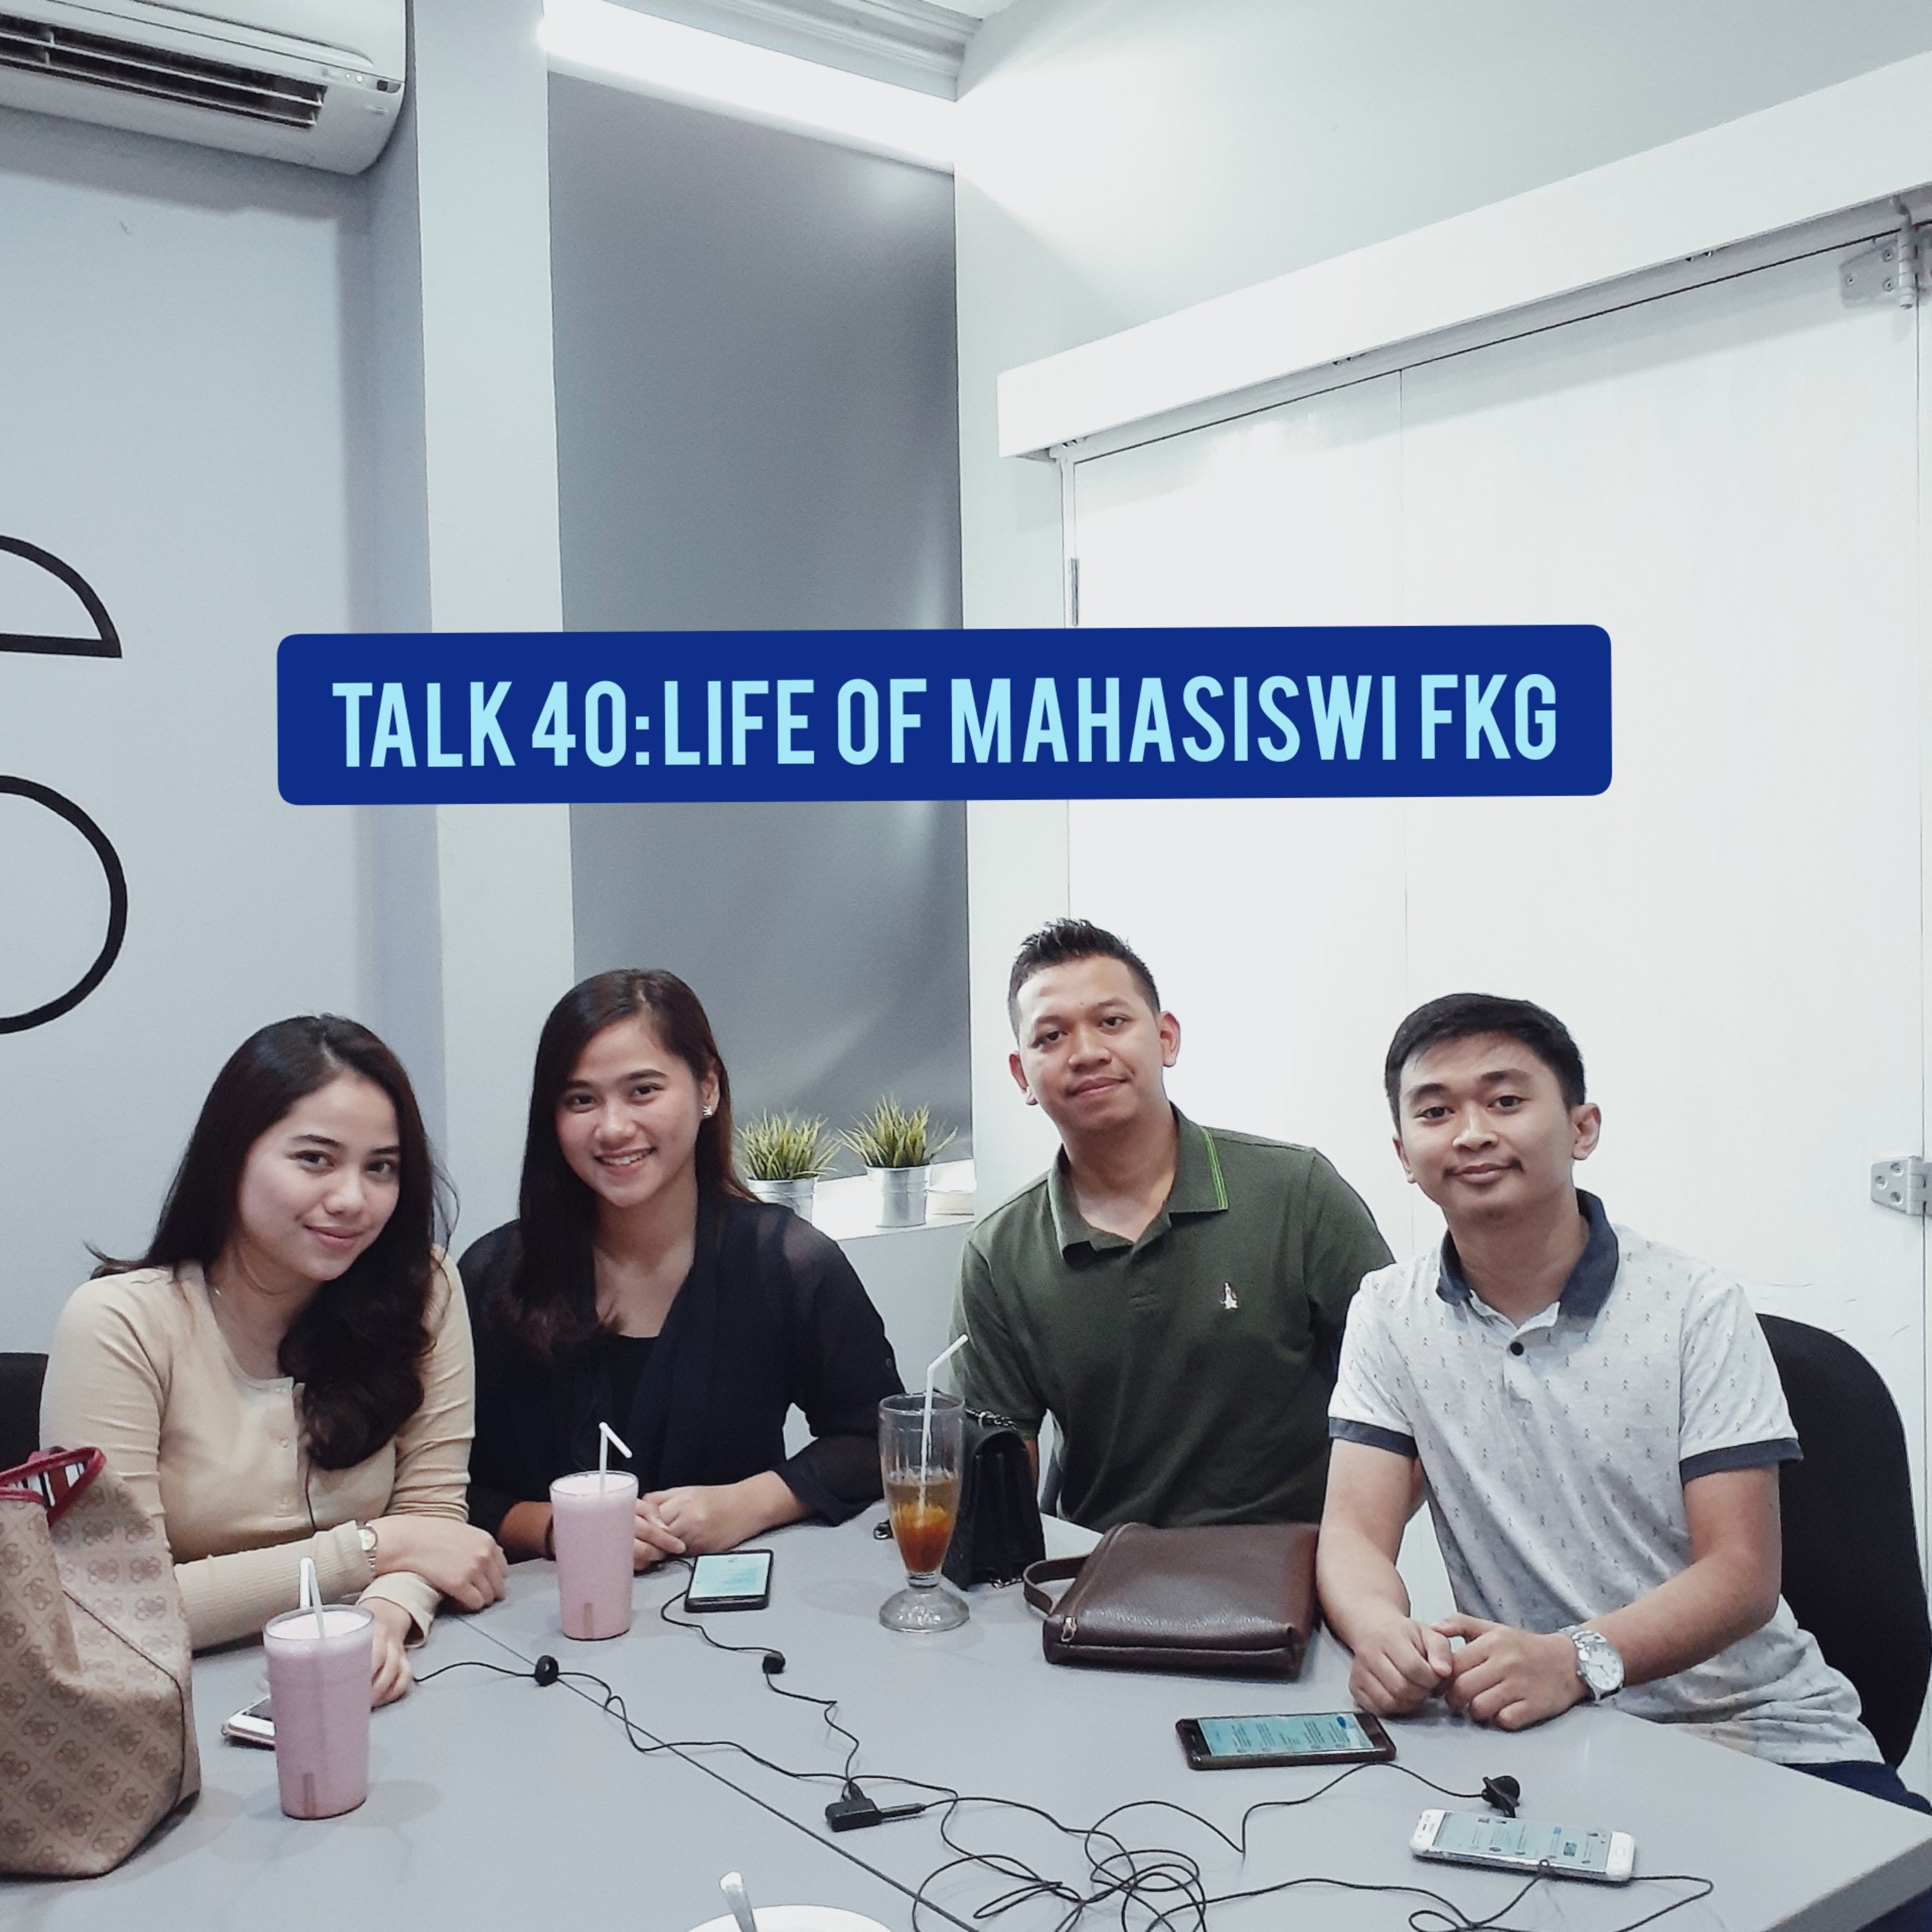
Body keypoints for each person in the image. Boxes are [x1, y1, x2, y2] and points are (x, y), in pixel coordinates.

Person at [1320, 994, 1929, 1890]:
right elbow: (1353, 1534)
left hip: (1759, 1733)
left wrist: (1573, 1659)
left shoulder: (1694, 1307)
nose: (1473, 1132)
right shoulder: (1388, 1313)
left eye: (1505, 1100)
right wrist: (1381, 1634)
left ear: (1583, 1128)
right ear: (1405, 1155)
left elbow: (1742, 1574)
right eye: (1436, 1111)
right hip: (1541, 1740)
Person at [41, 1016, 506, 1707]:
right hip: (168, 1707)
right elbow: (111, 1607)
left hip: (375, 1691)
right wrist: (372, 1550)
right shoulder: (120, 1324)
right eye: (315, 1159)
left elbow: (431, 1515)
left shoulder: (422, 1289)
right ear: (231, 1156)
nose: (351, 1199)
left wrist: (384, 1616)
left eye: (381, 1167)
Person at [951, 918, 1392, 1531]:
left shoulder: (1297, 1192)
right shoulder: (998, 1254)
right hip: (1098, 1569)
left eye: (1112, 1022)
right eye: (1051, 1036)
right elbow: (998, 1482)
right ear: (1022, 1075)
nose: (1086, 1052)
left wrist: (1353, 1556)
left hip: (1290, 1569)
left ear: (1166, 1039)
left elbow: (1403, 1403)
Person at [462, 969, 902, 1567]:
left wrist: (745, 1505)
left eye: (643, 1091)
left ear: (707, 1088)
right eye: (581, 1100)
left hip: (738, 1609)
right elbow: (438, 1489)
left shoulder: (790, 1264)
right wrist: (555, 1529)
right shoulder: (493, 1276)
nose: (614, 1128)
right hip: (538, 1610)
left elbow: (879, 1439)